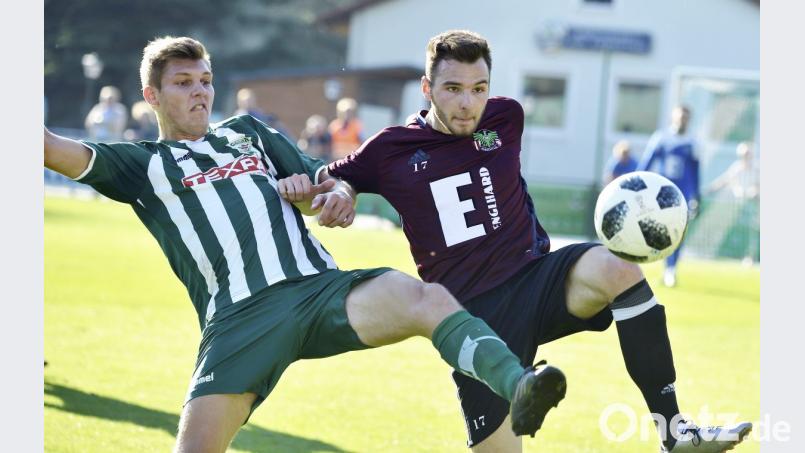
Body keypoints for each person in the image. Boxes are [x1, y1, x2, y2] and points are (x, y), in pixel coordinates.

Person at [44, 36, 564, 453]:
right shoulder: (143, 164)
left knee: (427, 299)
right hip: (241, 320)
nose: (200, 92)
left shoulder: (247, 132)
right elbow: (51, 149)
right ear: (152, 96)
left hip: (320, 292)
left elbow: (328, 189)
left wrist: (317, 195)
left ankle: (517, 384)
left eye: (205, 81)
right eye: (183, 83)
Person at [303, 30, 750, 453]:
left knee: (618, 269)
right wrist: (342, 192)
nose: (467, 103)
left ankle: (674, 431)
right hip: (472, 318)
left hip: (537, 279)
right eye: (453, 89)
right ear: (426, 87)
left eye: (479, 88)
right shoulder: (390, 148)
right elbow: (335, 179)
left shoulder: (506, 116)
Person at [637, 105, 701, 287]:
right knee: (658, 230)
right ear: (673, 117)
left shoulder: (693, 142)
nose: (683, 121)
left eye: (686, 118)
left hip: (683, 194)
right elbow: (646, 164)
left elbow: (696, 171)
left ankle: (671, 269)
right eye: (680, 117)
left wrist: (697, 196)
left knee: (678, 232)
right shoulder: (661, 137)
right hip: (662, 193)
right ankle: (648, 263)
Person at [706, 141, 760, 265]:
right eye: (742, 154)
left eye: (747, 154)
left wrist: (755, 191)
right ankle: (734, 255)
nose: (745, 157)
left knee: (752, 232)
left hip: (754, 206)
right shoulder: (737, 168)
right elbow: (724, 180)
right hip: (739, 207)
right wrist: (709, 189)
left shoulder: (757, 168)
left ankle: (750, 257)